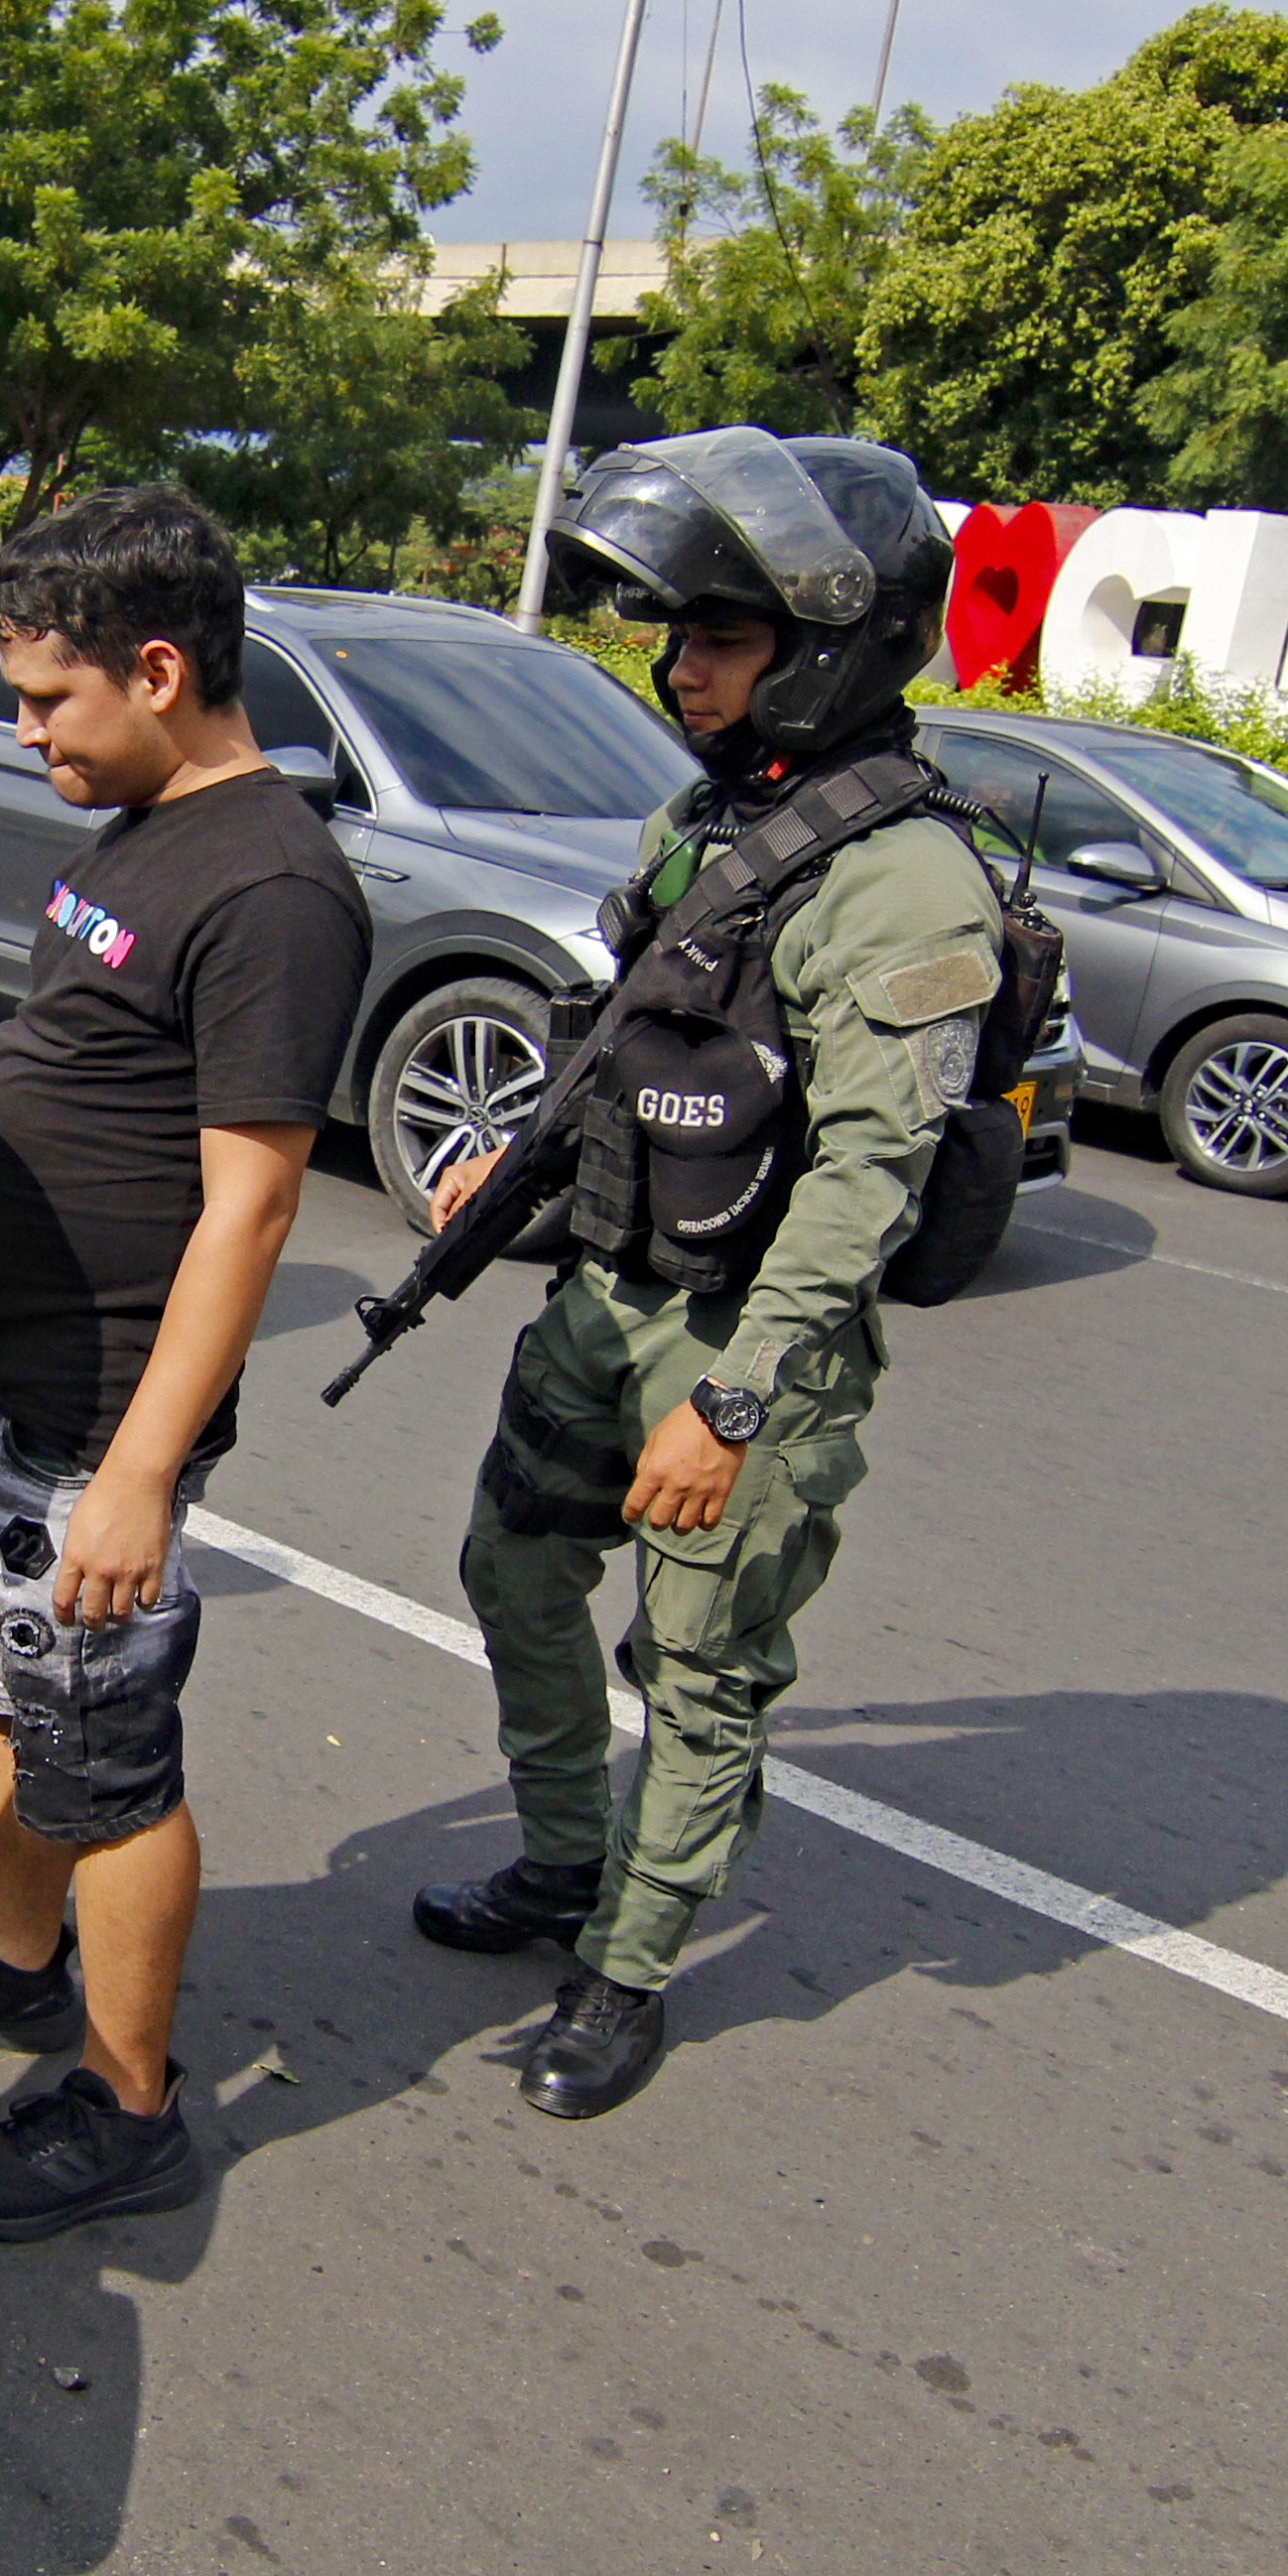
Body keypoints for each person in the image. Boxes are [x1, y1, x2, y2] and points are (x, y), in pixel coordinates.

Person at [410, 431, 1006, 2121]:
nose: (682, 667)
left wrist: (736, 1403)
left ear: (830, 645)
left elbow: (870, 1177)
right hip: (605, 1290)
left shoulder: (903, 879)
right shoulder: (716, 818)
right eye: (682, 635)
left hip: (748, 1337)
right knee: (514, 1569)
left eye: (723, 639)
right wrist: (506, 1154)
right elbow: (632, 1031)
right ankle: (557, 1858)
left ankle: (629, 1967)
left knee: (698, 1666)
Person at [0, 486, 367, 2242]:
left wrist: (139, 1468)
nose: (27, 731)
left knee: (107, 1755)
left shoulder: (274, 885)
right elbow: (69, 1068)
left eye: (53, 700)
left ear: (160, 668)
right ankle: (13, 1954)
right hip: (3, 1357)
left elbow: (252, 1207)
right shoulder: (140, 824)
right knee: (15, 1696)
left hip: (97, 1413)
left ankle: (130, 2101)